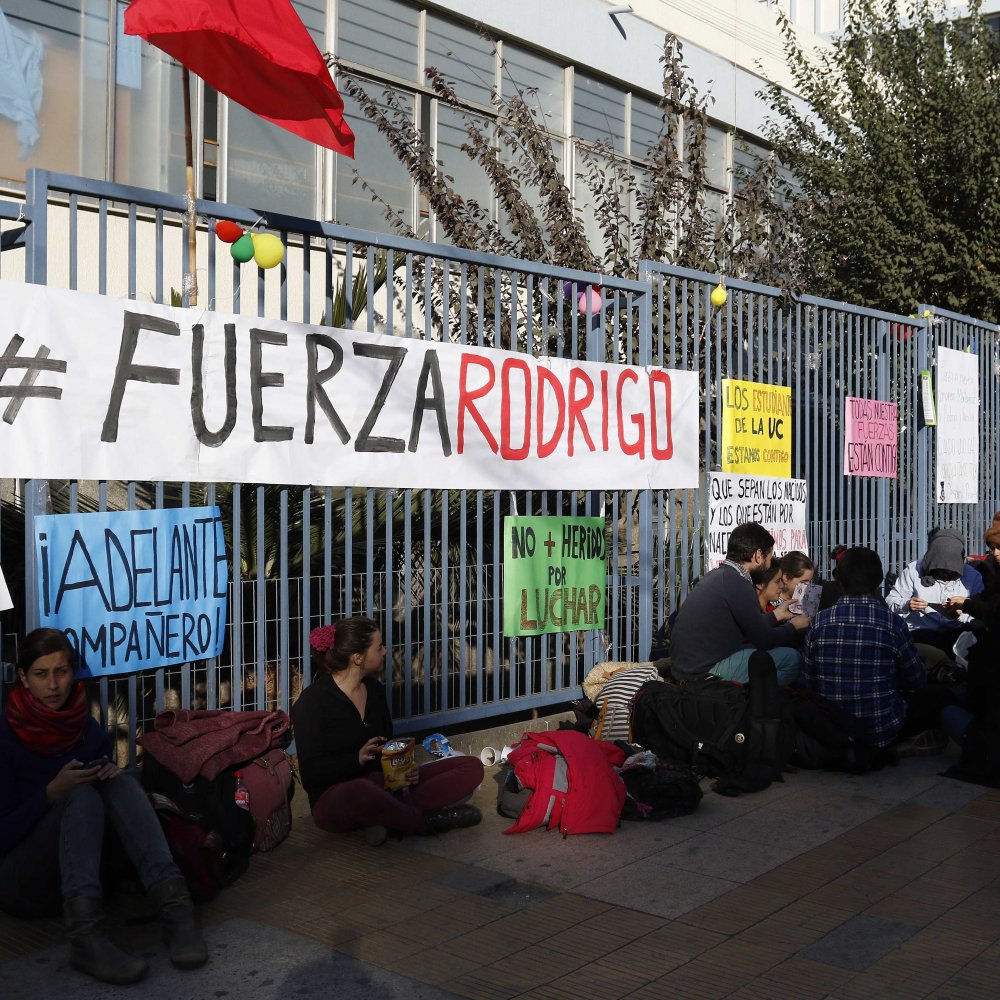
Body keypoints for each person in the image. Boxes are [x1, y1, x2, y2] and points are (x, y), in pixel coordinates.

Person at [0, 628, 207, 985]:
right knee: (77, 795)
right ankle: (85, 938)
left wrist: (107, 772)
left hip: (88, 876)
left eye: (61, 671)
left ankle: (176, 909)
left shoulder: (88, 729)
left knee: (120, 781)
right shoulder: (5, 734)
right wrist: (49, 794)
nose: (53, 685)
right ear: (23, 677)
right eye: (41, 674)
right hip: (23, 882)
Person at [292, 616, 485, 845]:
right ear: (358, 658)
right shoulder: (312, 702)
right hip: (337, 798)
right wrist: (356, 759)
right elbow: (311, 774)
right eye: (379, 647)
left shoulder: (374, 690)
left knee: (471, 767)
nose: (385, 651)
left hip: (383, 784)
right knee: (361, 789)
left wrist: (404, 768)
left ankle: (386, 818)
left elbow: (387, 745)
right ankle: (426, 822)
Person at [803, 547, 957, 749]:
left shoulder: (818, 623)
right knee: (941, 695)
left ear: (839, 583)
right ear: (878, 583)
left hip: (834, 729)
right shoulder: (892, 623)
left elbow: (809, 681)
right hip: (882, 731)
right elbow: (916, 679)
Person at [669, 523, 810, 684]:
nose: (769, 564)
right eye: (769, 558)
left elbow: (752, 625)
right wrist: (793, 626)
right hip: (702, 673)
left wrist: (776, 615)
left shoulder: (720, 576)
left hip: (686, 668)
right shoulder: (738, 583)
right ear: (758, 555)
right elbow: (765, 639)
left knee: (753, 651)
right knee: (792, 659)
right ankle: (756, 696)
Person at [886, 528, 984, 652]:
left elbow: (982, 617)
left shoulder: (973, 577)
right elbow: (889, 602)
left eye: (951, 571)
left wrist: (961, 614)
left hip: (958, 637)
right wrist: (907, 604)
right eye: (940, 569)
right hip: (919, 635)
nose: (945, 573)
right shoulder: (913, 571)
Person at [944, 511, 1000, 623]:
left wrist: (966, 604)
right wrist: (964, 600)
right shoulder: (994, 570)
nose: (995, 553)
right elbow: (989, 597)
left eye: (999, 547)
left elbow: (994, 611)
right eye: (993, 548)